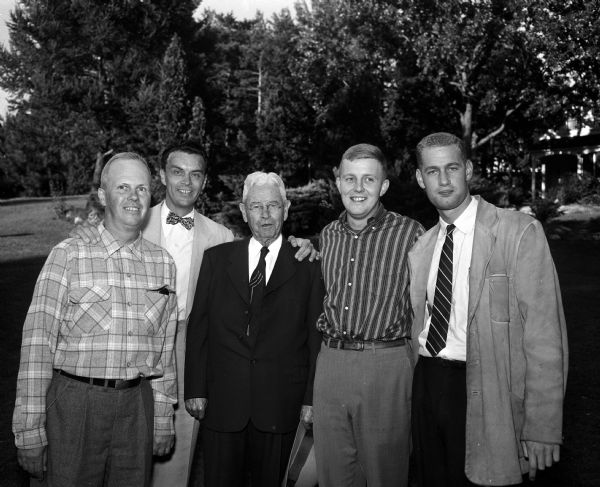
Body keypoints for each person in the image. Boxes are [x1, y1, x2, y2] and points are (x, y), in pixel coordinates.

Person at [72, 141, 316, 486]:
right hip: (126, 348)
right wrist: (86, 232)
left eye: (195, 174)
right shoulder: (132, 218)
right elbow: (100, 237)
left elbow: (258, 269)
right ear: (161, 176)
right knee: (116, 454)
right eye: (177, 172)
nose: (186, 182)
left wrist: (301, 244)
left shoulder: (219, 236)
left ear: (204, 181)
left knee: (176, 459)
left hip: (190, 351)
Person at [409, 132, 568, 486]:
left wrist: (542, 424)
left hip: (486, 387)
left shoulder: (518, 232)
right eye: (432, 172)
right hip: (427, 383)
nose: (444, 180)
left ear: (468, 169)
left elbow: (544, 336)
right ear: (421, 179)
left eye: (452, 168)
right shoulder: (421, 248)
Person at [13, 152, 178, 487]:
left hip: (136, 405)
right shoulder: (68, 254)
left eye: (143, 189)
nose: (133, 197)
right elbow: (36, 343)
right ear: (103, 196)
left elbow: (164, 349)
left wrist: (162, 416)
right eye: (123, 187)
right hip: (75, 404)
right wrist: (29, 428)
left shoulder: (163, 263)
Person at [185, 171, 324, 487]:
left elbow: (315, 339)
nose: (265, 214)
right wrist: (195, 388)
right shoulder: (217, 260)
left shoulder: (308, 265)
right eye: (256, 206)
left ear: (286, 209)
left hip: (280, 404)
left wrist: (311, 398)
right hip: (223, 402)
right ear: (243, 210)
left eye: (273, 205)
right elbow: (199, 326)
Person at [313, 143, 424, 487]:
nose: (358, 188)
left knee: (384, 473)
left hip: (385, 364)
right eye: (350, 178)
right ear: (338, 182)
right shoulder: (329, 234)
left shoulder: (411, 233)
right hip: (330, 363)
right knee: (334, 473)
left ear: (384, 186)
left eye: (368, 179)